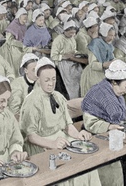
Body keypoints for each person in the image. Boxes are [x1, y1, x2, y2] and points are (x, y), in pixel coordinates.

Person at [19, 57, 100, 185]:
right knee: (64, 167)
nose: (51, 83)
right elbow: (31, 137)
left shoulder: (58, 97)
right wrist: (52, 144)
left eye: (53, 79)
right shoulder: (32, 101)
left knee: (86, 162)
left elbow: (68, 125)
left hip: (60, 139)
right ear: (38, 79)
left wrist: (78, 135)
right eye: (46, 80)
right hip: (40, 144)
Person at [80, 22, 117, 96]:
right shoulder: (95, 44)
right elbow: (92, 64)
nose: (112, 38)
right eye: (110, 35)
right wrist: (104, 64)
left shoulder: (108, 44)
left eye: (113, 36)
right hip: (93, 74)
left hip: (104, 73)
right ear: (104, 34)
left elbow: (111, 57)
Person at [51, 20, 84, 99]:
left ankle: (79, 97)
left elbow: (73, 49)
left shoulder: (72, 38)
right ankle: (73, 98)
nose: (72, 35)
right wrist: (64, 56)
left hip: (72, 60)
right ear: (65, 30)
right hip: (62, 63)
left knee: (80, 76)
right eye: (70, 33)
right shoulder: (58, 39)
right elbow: (53, 56)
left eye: (73, 33)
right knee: (71, 81)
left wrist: (77, 53)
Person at [8, 53, 38, 118]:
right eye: (33, 70)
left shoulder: (40, 83)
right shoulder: (16, 85)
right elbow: (14, 111)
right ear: (25, 70)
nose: (37, 73)